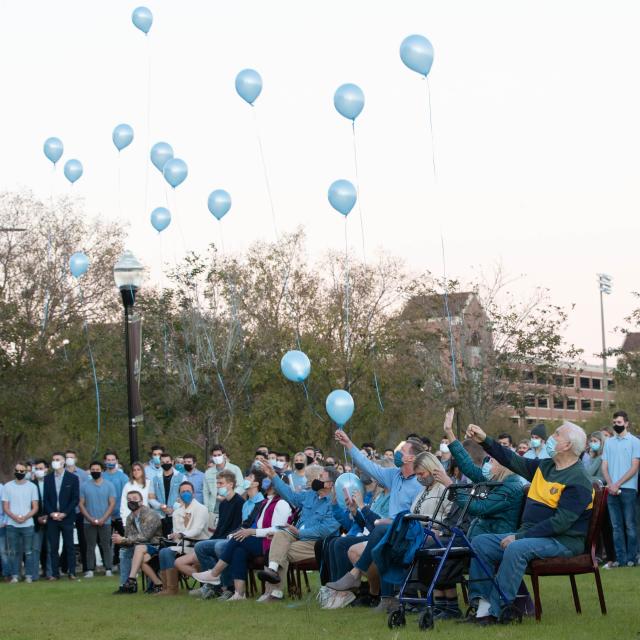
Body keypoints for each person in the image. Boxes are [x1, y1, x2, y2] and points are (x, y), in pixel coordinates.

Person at [464, 421, 593, 625]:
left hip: (563, 541)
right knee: (480, 543)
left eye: (557, 434)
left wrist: (519, 536)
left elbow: (560, 523)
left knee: (516, 548)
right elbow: (511, 460)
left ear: (567, 445)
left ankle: (498, 612)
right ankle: (481, 609)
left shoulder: (579, 480)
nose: (551, 437)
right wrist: (485, 440)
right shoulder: (545, 466)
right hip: (534, 536)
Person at [432, 409, 525, 619]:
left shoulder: (511, 486)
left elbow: (478, 508)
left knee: (452, 550)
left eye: (491, 460)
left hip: (496, 538)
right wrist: (450, 433)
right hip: (480, 536)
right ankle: (445, 604)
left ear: (505, 464)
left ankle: (469, 605)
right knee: (437, 547)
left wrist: (452, 487)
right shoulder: (495, 480)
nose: (486, 464)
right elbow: (467, 465)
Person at [191, 471, 292, 600]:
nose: (265, 483)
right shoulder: (266, 502)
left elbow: (278, 530)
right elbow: (253, 523)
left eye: (269, 481)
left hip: (272, 543)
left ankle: (215, 573)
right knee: (239, 550)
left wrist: (252, 532)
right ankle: (239, 593)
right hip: (260, 538)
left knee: (238, 539)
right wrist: (250, 531)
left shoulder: (281, 503)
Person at [254, 461, 340, 602]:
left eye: (321, 476)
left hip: (317, 542)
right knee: (280, 534)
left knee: (280, 550)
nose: (316, 479)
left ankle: (275, 593)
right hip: (298, 536)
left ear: (330, 484)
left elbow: (324, 530)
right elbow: (291, 496)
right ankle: (273, 570)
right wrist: (274, 476)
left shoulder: (336, 503)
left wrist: (300, 533)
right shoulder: (311, 494)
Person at [188, 470, 245, 599]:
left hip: (232, 539)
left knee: (220, 546)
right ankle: (214, 585)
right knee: (200, 546)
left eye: (221, 483)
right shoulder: (223, 503)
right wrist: (211, 539)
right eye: (217, 483)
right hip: (220, 538)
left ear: (230, 484)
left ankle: (229, 588)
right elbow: (220, 528)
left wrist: (221, 538)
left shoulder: (239, 502)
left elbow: (237, 527)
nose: (218, 486)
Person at [155, 481, 209, 596]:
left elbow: (197, 530)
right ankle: (168, 588)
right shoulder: (177, 512)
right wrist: (174, 535)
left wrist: (182, 534)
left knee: (167, 552)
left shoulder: (201, 509)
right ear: (179, 494)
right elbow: (176, 531)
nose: (186, 494)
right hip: (182, 544)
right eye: (183, 492)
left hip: (198, 544)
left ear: (193, 493)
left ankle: (172, 589)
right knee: (163, 551)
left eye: (188, 491)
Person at [602, 410, 640, 568]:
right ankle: (621, 559)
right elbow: (604, 466)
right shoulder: (609, 442)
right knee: (616, 527)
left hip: (629, 489)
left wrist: (618, 483)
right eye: (614, 422)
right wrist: (611, 484)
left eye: (619, 423)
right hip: (611, 490)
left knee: (630, 525)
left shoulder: (635, 442)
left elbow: (635, 467)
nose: (616, 425)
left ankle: (632, 557)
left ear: (626, 423)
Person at [112, 490, 163, 594]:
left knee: (140, 549)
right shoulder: (130, 517)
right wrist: (119, 539)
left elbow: (145, 536)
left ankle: (131, 580)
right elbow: (129, 538)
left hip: (155, 545)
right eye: (129, 500)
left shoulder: (151, 514)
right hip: (139, 548)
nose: (132, 501)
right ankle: (125, 585)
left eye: (135, 499)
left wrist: (124, 539)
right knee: (124, 550)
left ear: (141, 501)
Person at [43, 451, 79, 580]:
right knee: (53, 547)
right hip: (52, 518)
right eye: (53, 459)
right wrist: (52, 513)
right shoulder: (48, 478)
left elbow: (75, 499)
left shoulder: (73, 478)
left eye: (57, 459)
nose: (55, 461)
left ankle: (72, 572)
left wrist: (65, 513)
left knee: (69, 546)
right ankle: (54, 573)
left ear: (63, 462)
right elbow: (45, 499)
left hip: (67, 518)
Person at [2, 461, 39, 583]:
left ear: (26, 472)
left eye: (22, 471)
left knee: (28, 551)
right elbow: (5, 507)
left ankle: (28, 575)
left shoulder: (32, 487)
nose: (19, 473)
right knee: (13, 552)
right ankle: (15, 575)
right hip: (12, 525)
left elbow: (35, 507)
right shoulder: (7, 486)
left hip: (28, 524)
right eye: (17, 471)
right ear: (14, 471)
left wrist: (25, 517)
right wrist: (14, 517)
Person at [79, 461, 116, 578]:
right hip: (88, 522)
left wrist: (103, 519)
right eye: (93, 470)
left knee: (106, 545)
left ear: (102, 470)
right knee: (90, 546)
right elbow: (81, 504)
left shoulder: (109, 485)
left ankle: (108, 568)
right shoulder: (84, 486)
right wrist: (90, 518)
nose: (95, 471)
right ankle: (90, 569)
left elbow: (112, 504)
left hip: (106, 522)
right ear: (90, 471)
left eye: (97, 469)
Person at [61, 449, 89, 576]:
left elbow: (86, 492)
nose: (69, 459)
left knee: (83, 540)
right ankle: (64, 566)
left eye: (71, 457)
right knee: (68, 539)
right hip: (66, 511)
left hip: (81, 511)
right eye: (67, 457)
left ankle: (86, 567)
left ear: (76, 459)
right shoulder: (61, 473)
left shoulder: (83, 474)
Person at [203, 444, 244, 530]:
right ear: (211, 457)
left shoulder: (235, 469)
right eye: (214, 455)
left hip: (230, 506)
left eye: (219, 455)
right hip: (213, 509)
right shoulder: (208, 472)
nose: (217, 457)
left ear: (224, 455)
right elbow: (206, 492)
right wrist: (206, 509)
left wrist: (229, 496)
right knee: (212, 532)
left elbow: (241, 486)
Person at [102, 450, 129, 569]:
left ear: (117, 461)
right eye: (108, 460)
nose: (110, 462)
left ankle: (121, 562)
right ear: (105, 461)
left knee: (122, 540)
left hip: (119, 514)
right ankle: (108, 564)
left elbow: (126, 495)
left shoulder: (123, 477)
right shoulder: (102, 476)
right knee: (105, 541)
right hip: (105, 515)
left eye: (113, 460)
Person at [149, 453, 184, 536]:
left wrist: (173, 508)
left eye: (167, 461)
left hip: (177, 514)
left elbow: (184, 497)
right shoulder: (155, 479)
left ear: (172, 462)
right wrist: (161, 506)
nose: (165, 464)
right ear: (160, 464)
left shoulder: (182, 477)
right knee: (163, 540)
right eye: (163, 462)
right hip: (161, 516)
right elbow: (151, 497)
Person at [31, 459, 51, 580]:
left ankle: (50, 573)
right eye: (37, 469)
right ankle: (34, 575)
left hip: (50, 519)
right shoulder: (31, 484)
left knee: (49, 549)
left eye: (41, 468)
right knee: (35, 549)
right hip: (35, 521)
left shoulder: (51, 483)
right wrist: (37, 516)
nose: (39, 471)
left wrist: (48, 516)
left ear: (46, 469)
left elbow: (54, 501)